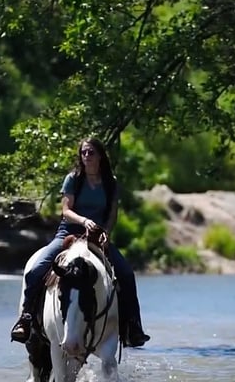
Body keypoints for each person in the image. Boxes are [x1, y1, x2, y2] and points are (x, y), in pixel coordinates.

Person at [10, 138, 151, 348]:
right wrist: (84, 221)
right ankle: (26, 318)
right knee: (36, 269)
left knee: (126, 274)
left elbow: (112, 213)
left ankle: (133, 327)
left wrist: (106, 232)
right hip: (69, 233)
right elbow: (65, 211)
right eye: (84, 153)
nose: (86, 156)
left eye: (91, 152)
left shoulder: (110, 182)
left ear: (100, 156)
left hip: (97, 237)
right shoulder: (73, 179)